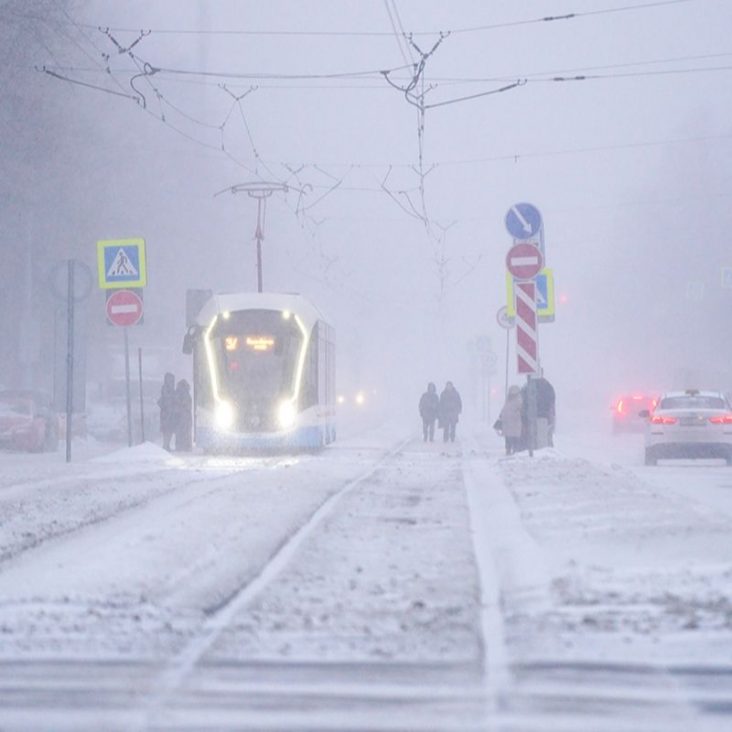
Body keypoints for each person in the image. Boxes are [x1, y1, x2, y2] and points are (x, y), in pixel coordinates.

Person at [498, 385, 524, 455]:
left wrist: (502, 416)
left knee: (510, 438)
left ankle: (511, 450)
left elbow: (504, 409)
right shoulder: (518, 400)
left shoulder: (512, 400)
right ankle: (512, 450)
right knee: (512, 438)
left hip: (510, 423)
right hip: (512, 423)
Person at [534, 374, 556, 447]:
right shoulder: (549, 387)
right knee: (548, 435)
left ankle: (547, 449)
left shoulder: (538, 388)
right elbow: (552, 403)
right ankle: (549, 448)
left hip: (541, 415)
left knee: (541, 436)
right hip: (548, 415)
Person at [157, 372, 176, 451]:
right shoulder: (166, 388)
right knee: (167, 430)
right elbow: (167, 399)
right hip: (166, 413)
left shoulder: (170, 388)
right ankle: (165, 445)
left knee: (169, 430)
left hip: (170, 412)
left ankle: (167, 445)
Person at [174, 378, 193, 452]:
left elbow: (181, 406)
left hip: (181, 417)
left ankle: (181, 446)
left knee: (181, 432)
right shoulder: (186, 395)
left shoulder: (181, 395)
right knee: (185, 432)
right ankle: (186, 446)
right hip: (185, 418)